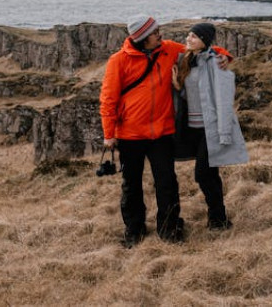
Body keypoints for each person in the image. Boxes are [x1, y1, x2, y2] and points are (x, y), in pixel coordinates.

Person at [100, 15, 233, 248]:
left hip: (161, 134)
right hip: (130, 135)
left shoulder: (168, 49)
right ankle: (134, 230)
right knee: (131, 185)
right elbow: (108, 99)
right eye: (155, 32)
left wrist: (224, 56)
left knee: (167, 183)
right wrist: (109, 134)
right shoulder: (118, 61)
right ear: (142, 38)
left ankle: (170, 229)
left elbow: (201, 47)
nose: (160, 34)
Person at [172, 22, 249, 231]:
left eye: (194, 37)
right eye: (189, 35)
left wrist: (224, 133)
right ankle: (219, 220)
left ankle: (217, 217)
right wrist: (179, 88)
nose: (188, 39)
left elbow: (224, 100)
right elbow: (193, 95)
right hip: (192, 128)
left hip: (210, 128)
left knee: (203, 173)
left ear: (204, 41)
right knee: (210, 173)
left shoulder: (216, 62)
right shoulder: (187, 58)